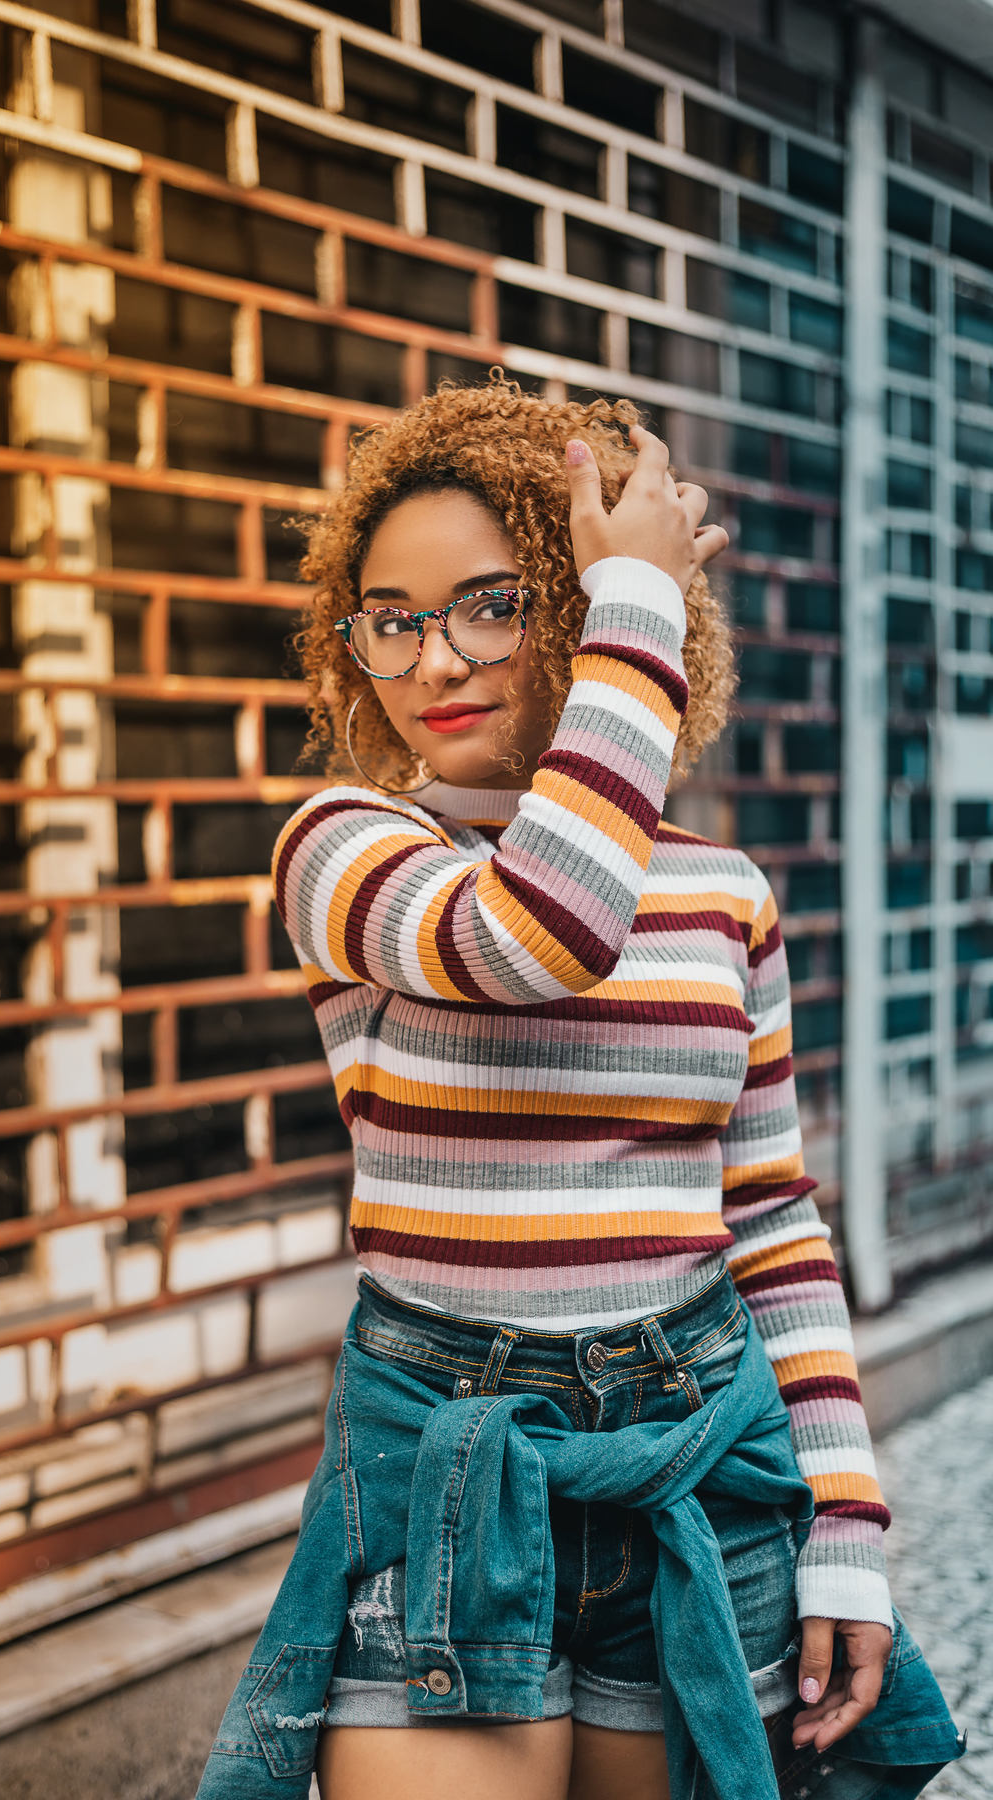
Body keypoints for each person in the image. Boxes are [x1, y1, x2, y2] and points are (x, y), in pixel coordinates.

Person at [195, 377, 962, 1800]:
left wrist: (848, 1527)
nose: (436, 662)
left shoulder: (727, 895)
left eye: (494, 602)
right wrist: (637, 616)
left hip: (699, 1456)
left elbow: (774, 1221)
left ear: (583, 603)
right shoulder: (346, 848)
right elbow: (536, 933)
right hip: (450, 1469)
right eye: (394, 619)